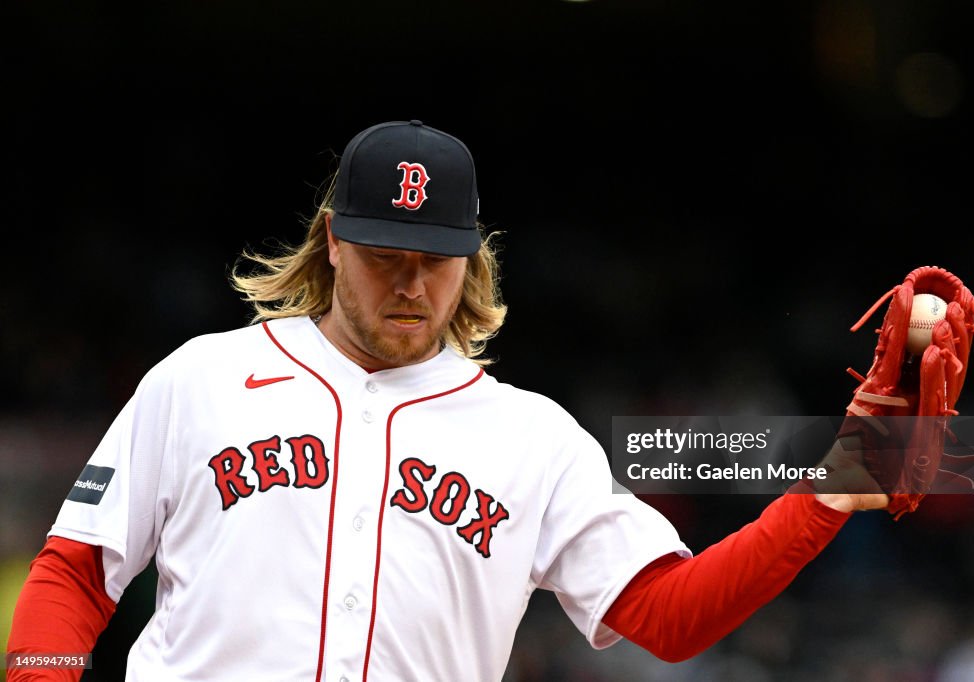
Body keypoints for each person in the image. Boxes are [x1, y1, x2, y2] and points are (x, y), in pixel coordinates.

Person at [6, 120, 888, 682]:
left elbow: (668, 614)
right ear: (334, 241)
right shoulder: (198, 378)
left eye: (435, 257)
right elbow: (75, 573)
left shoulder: (531, 437)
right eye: (388, 252)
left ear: (470, 256)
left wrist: (830, 493)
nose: (412, 282)